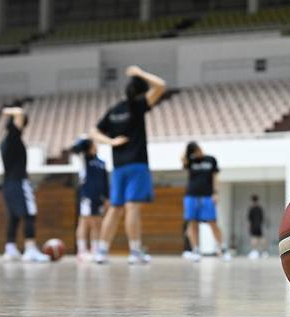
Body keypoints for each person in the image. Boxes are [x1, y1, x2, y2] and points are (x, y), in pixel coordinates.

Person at [90, 65, 166, 265]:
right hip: (137, 165)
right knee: (132, 207)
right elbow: (161, 85)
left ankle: (102, 252)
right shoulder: (137, 105)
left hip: (118, 167)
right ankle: (134, 252)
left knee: (115, 208)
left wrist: (110, 142)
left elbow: (93, 131)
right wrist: (140, 72)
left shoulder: (115, 110)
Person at [0, 106, 50, 262]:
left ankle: (10, 249)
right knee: (29, 214)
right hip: (18, 182)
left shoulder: (5, 141)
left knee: (14, 216)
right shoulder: (14, 137)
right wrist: (10, 110)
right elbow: (20, 114)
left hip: (7, 183)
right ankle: (30, 250)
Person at [182, 141, 230, 262]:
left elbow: (214, 177)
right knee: (192, 223)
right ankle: (196, 250)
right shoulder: (190, 161)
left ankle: (222, 249)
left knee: (212, 223)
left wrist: (215, 192)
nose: (199, 152)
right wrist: (188, 150)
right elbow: (183, 161)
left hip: (207, 196)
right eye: (195, 151)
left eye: (198, 149)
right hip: (191, 195)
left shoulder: (211, 160)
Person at [71, 138, 109, 262]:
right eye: (93, 144)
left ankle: (95, 249)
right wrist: (87, 141)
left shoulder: (102, 162)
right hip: (87, 196)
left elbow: (105, 181)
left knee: (97, 224)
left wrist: (107, 197)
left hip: (99, 198)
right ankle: (81, 251)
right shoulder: (84, 159)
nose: (96, 146)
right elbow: (75, 148)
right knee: (85, 222)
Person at [247, 194, 268, 259]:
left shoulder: (251, 209)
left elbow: (249, 219)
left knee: (254, 238)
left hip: (253, 225)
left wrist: (249, 226)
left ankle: (254, 252)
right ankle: (264, 252)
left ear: (252, 200)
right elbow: (262, 218)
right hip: (259, 225)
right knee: (261, 238)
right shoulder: (260, 208)